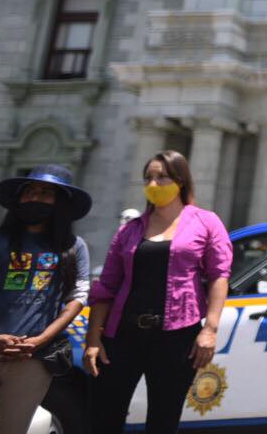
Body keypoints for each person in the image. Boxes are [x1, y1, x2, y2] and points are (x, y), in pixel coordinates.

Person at [86, 151, 232, 434]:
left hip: (176, 337)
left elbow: (218, 276)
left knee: (163, 420)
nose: (153, 183)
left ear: (180, 180)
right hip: (122, 335)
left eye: (162, 176)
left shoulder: (205, 221)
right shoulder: (130, 229)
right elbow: (107, 286)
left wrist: (210, 329)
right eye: (148, 178)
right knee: (104, 416)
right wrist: (93, 338)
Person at [0, 166, 92, 434]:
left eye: (45, 193)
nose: (35, 198)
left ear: (60, 203)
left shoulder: (73, 247)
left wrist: (42, 339)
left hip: (32, 359)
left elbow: (77, 297)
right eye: (29, 192)